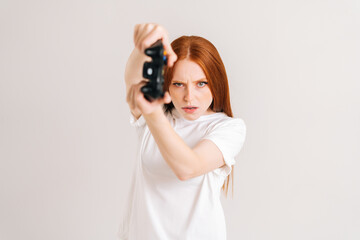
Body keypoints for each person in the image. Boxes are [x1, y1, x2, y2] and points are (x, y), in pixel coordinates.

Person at [118, 23, 246, 240]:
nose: (189, 97)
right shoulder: (154, 118)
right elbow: (132, 80)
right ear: (167, 84)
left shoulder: (228, 128)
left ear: (216, 82)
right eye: (178, 84)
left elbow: (187, 167)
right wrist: (143, 48)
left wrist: (152, 113)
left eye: (201, 84)